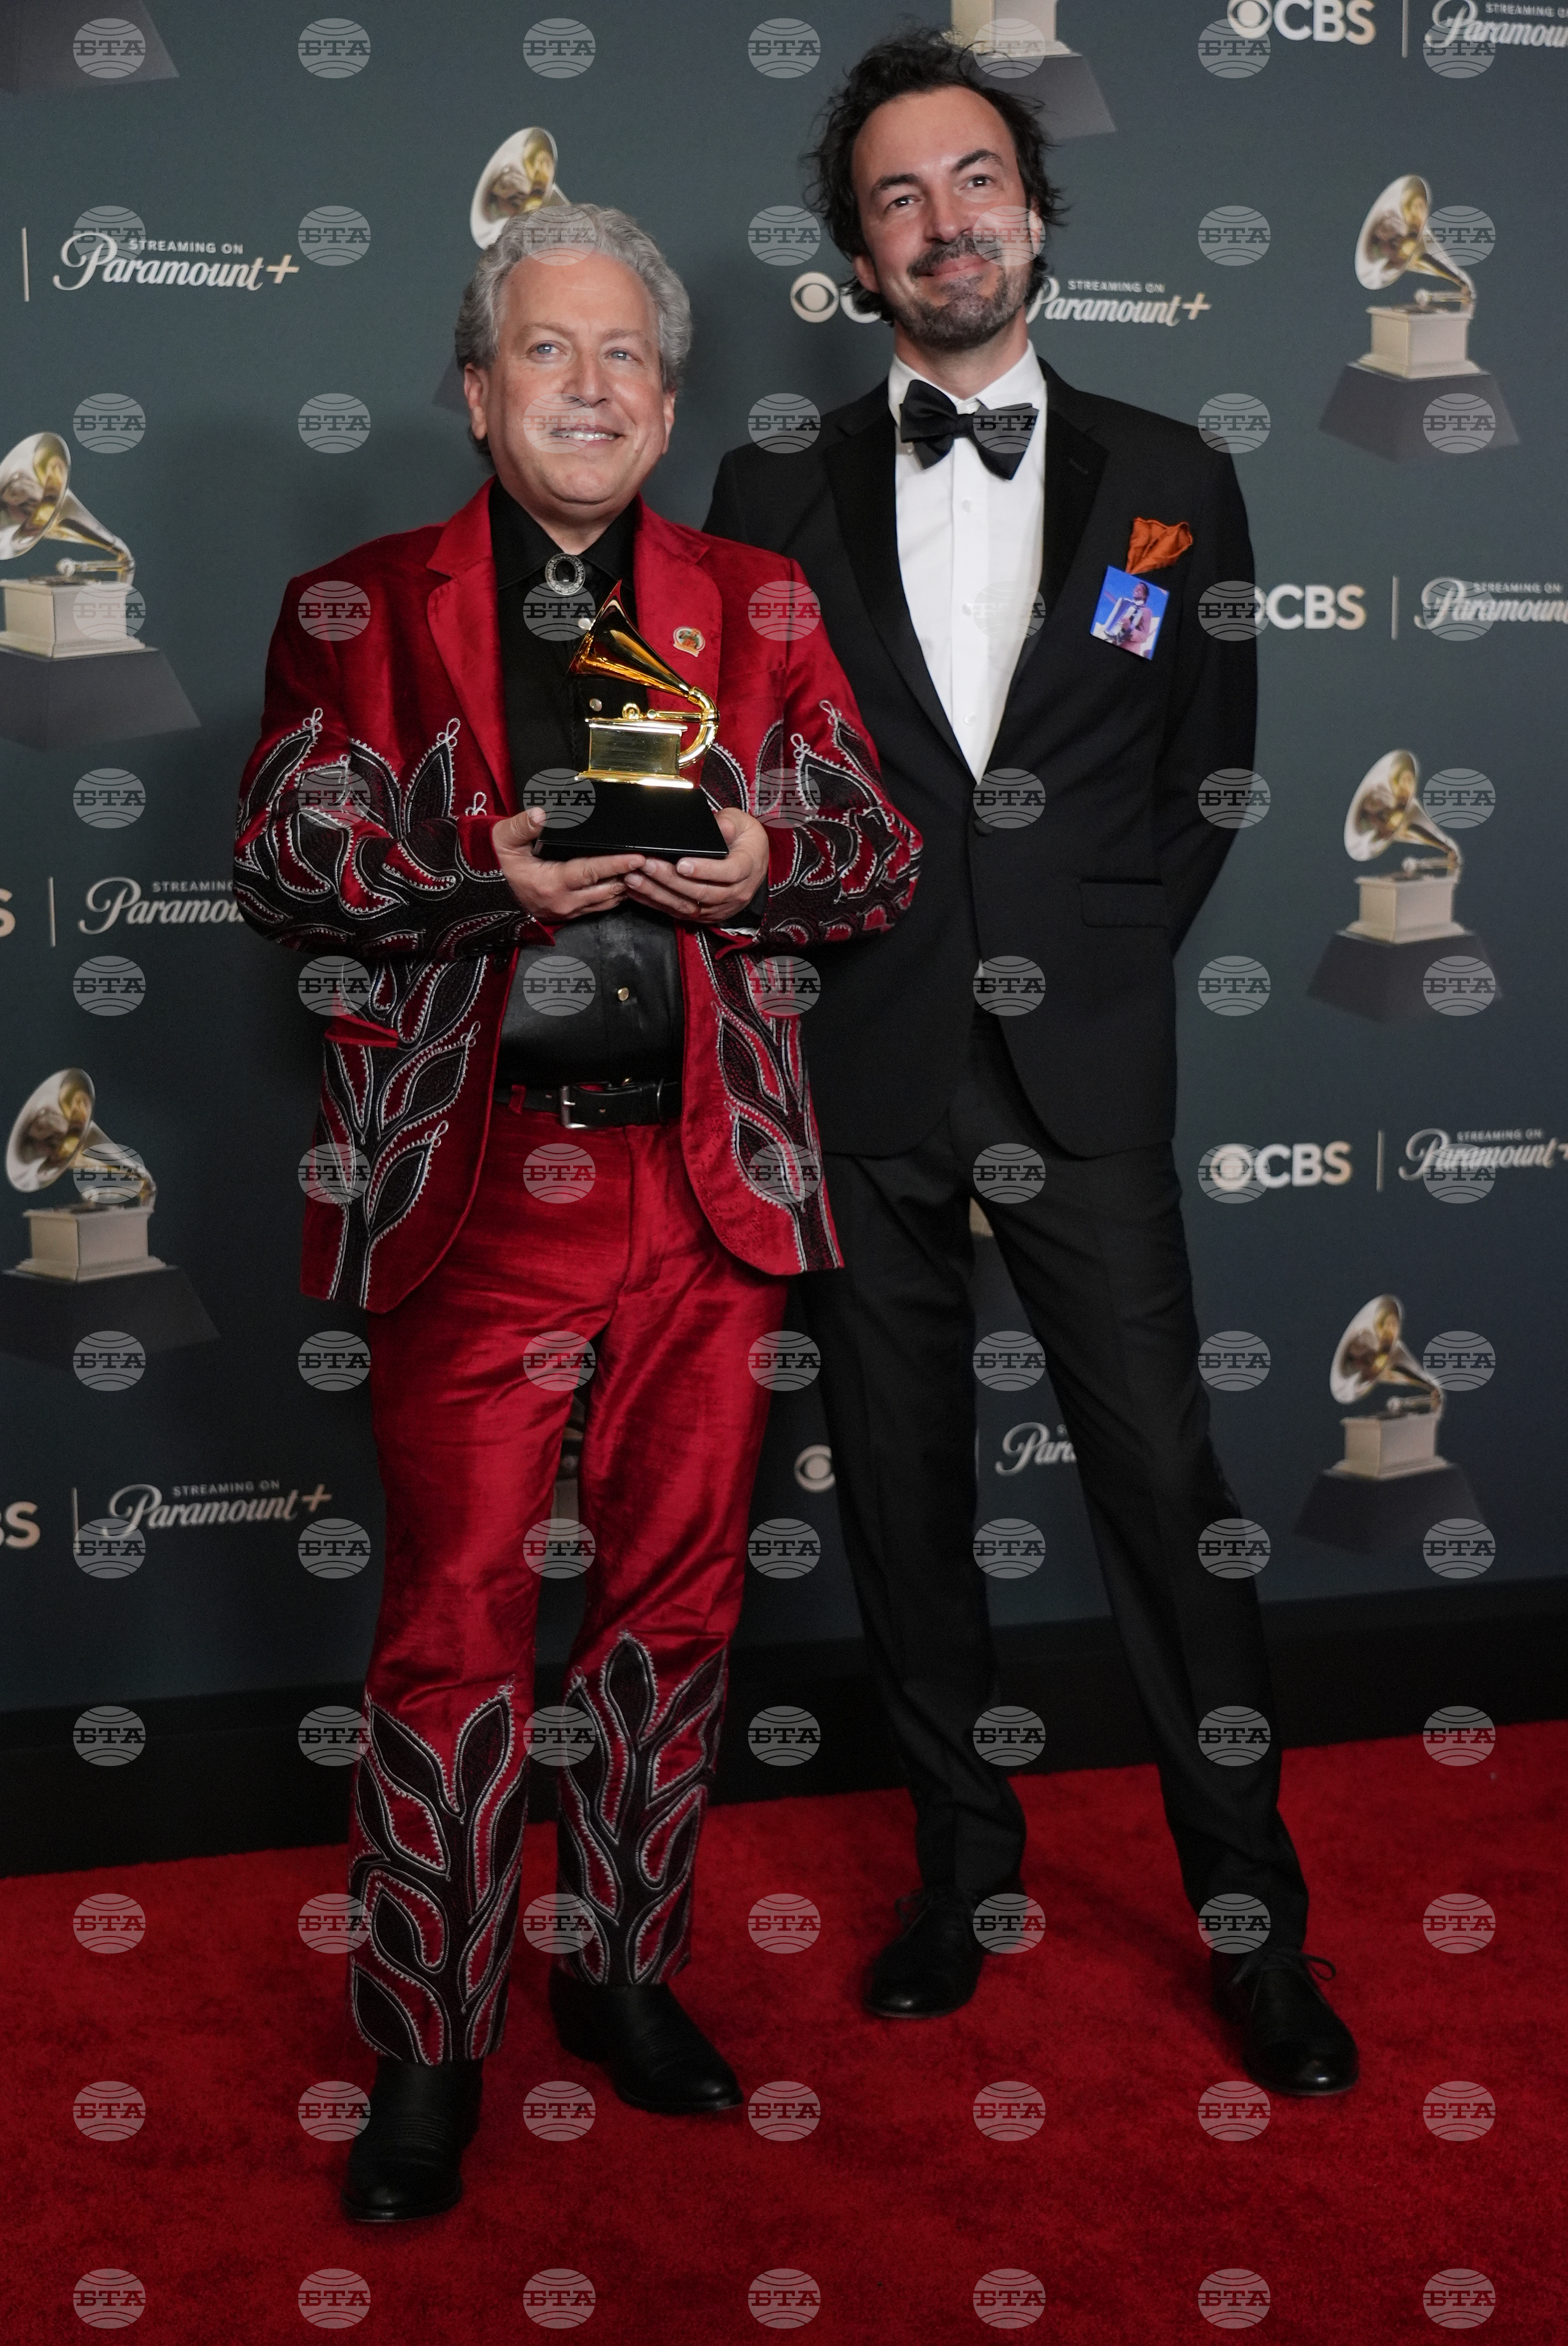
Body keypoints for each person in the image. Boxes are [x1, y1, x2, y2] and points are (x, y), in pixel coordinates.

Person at [235, 203, 918, 2223]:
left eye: (625, 355)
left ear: (669, 396)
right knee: (452, 1635)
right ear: (478, 387)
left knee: (677, 1611)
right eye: (549, 350)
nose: (592, 386)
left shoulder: (762, 602)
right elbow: (286, 854)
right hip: (478, 1192)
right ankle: (429, 2043)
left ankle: (624, 1972)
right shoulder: (356, 602)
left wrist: (758, 857)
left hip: (703, 1185)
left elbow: (870, 852)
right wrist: (482, 876)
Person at [705, 30, 1357, 2097]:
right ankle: (956, 1878)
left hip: (1080, 1079)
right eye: (897, 195)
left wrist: (1067, 970)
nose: (944, 221)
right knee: (900, 1496)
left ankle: (1252, 1924)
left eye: (973, 178)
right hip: (858, 1068)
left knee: (1165, 1491)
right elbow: (763, 778)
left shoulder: (1177, 478)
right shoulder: (766, 490)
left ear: (1035, 209)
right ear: (854, 252)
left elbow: (1208, 775)